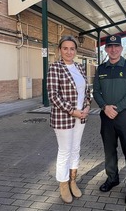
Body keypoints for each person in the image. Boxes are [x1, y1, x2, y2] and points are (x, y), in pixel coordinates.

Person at [93, 35, 126, 205]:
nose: (113, 49)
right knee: (109, 151)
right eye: (110, 46)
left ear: (121, 48)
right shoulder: (101, 69)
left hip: (125, 116)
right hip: (106, 116)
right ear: (105, 49)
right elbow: (96, 92)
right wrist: (105, 107)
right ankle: (112, 179)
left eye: (116, 46)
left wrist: (117, 108)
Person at [47, 35, 91, 204]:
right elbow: (53, 96)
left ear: (75, 51)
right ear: (60, 50)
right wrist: (73, 111)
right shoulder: (55, 68)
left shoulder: (80, 68)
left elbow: (86, 91)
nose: (68, 51)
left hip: (81, 117)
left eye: (72, 48)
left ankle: (73, 181)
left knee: (75, 149)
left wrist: (87, 106)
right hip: (64, 118)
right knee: (65, 151)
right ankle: (63, 184)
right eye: (65, 48)